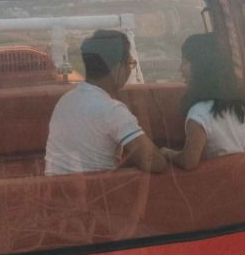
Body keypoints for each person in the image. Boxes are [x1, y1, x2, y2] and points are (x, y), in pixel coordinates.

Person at [45, 29, 167, 175]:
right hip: (98, 193)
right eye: (130, 63)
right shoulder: (112, 110)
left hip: (60, 191)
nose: (129, 70)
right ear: (117, 68)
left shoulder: (65, 101)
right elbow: (155, 163)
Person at [165, 33, 245, 170]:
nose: (180, 69)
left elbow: (189, 161)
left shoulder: (199, 113)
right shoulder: (242, 107)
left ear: (201, 67)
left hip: (218, 183)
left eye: (185, 62)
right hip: (244, 178)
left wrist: (167, 153)